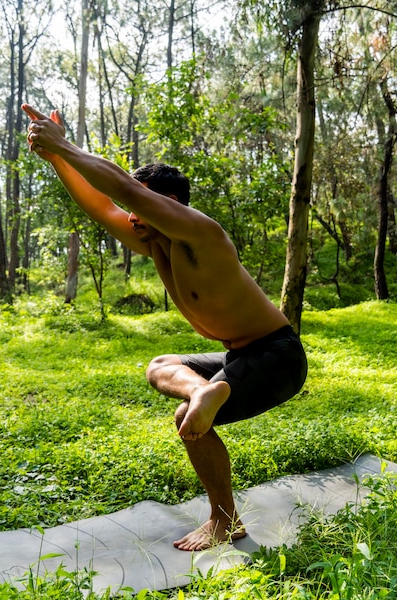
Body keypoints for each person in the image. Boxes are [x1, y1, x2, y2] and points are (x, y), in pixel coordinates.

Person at [22, 103, 308, 551]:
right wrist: (57, 159)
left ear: (168, 204)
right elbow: (102, 202)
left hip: (279, 356)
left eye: (141, 204)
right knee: (159, 365)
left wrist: (66, 144)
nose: (130, 216)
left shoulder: (202, 233)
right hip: (241, 354)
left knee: (186, 421)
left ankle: (224, 521)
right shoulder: (153, 237)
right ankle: (202, 392)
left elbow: (119, 188)